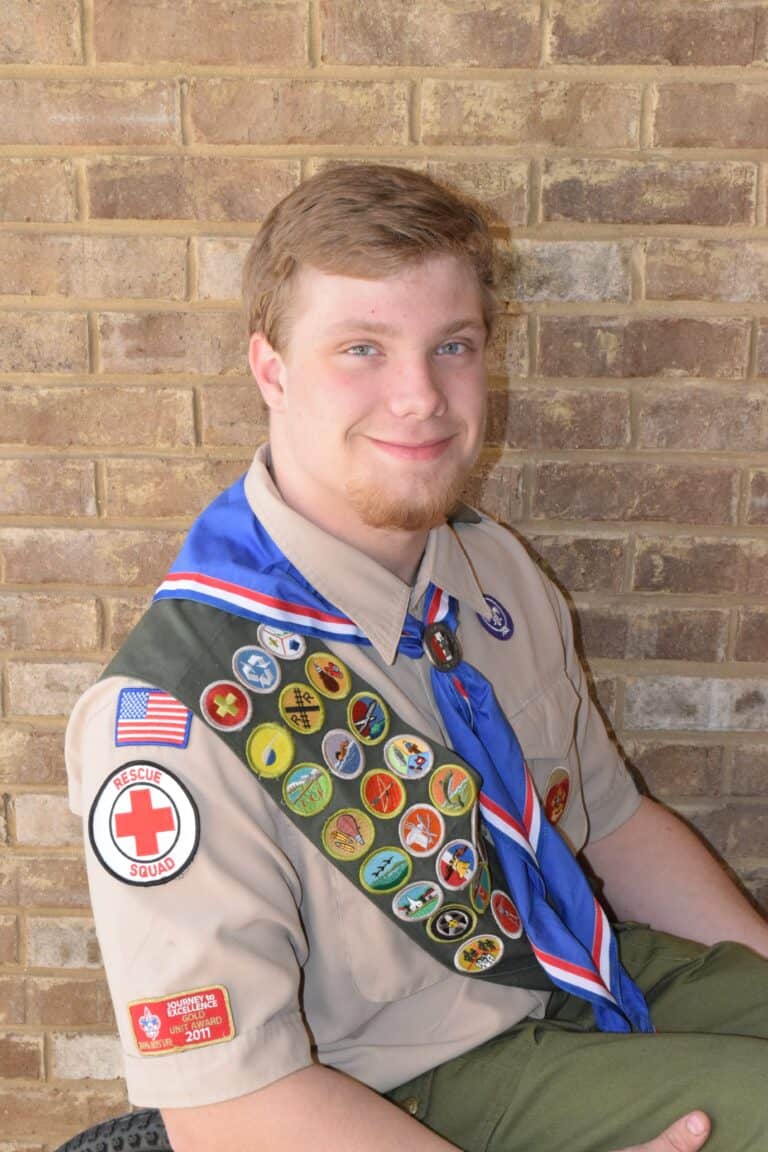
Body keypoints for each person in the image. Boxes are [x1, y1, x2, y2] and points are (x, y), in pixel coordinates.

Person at [66, 164, 768, 1152]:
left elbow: (611, 823)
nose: (421, 398)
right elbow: (228, 1110)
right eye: (362, 349)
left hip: (580, 966)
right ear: (270, 368)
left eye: (454, 346)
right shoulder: (181, 710)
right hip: (400, 1093)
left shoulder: (486, 570)